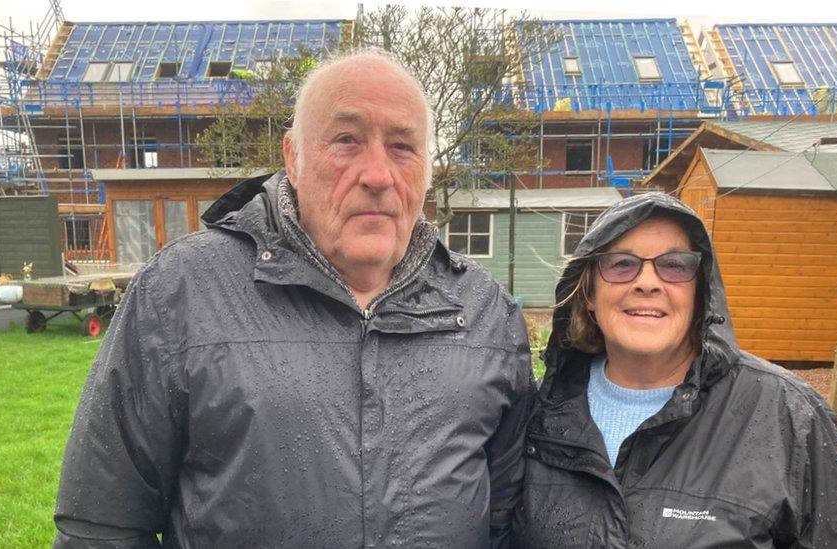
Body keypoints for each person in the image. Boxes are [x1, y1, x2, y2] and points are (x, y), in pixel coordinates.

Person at [53, 49, 533, 547]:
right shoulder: (181, 293)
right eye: (347, 140)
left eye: (402, 147)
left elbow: (504, 520)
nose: (377, 174)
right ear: (293, 158)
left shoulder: (486, 314)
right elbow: (101, 524)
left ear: (427, 170)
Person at [513, 192, 837, 547]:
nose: (647, 282)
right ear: (588, 293)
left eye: (674, 265)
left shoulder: (788, 417)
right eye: (621, 263)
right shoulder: (536, 415)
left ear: (702, 293)